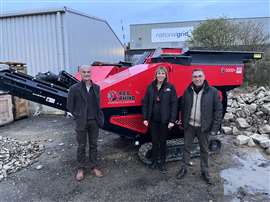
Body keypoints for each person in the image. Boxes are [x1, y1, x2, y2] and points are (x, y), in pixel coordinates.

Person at [176, 68, 223, 184]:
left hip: (204, 127)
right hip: (190, 126)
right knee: (186, 149)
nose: (197, 78)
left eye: (199, 76)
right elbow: (183, 108)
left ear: (204, 77)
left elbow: (218, 111)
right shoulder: (187, 91)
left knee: (204, 150)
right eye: (195, 76)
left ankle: (205, 171)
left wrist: (214, 128)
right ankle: (184, 168)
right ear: (192, 78)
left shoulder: (213, 92)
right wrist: (181, 121)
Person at [67, 65, 104, 181]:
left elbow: (98, 104)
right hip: (81, 122)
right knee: (81, 146)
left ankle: (94, 166)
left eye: (88, 72)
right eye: (84, 72)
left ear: (91, 73)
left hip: (94, 122)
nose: (86, 74)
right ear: (80, 73)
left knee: (94, 145)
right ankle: (80, 168)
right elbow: (69, 106)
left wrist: (99, 117)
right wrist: (78, 116)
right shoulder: (74, 88)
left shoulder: (96, 88)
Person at [142, 66, 178, 173]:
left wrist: (172, 120)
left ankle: (162, 163)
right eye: (159, 73)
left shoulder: (170, 87)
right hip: (153, 120)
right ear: (156, 75)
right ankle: (154, 161)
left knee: (162, 142)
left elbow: (174, 104)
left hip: (164, 120)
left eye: (163, 73)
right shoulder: (150, 87)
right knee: (154, 141)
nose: (161, 75)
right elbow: (145, 103)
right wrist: (145, 118)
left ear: (166, 75)